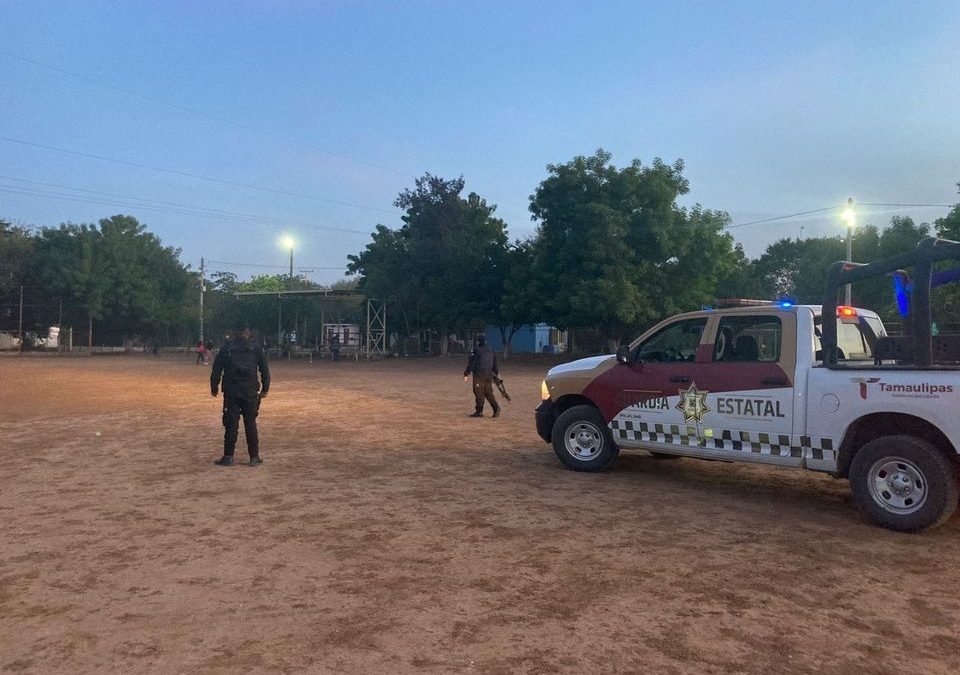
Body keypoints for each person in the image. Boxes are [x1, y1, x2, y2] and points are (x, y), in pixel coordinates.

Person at [210, 323, 270, 466]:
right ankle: (254, 457)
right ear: (248, 332)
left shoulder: (226, 348)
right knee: (250, 423)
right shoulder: (256, 348)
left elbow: (216, 370)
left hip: (231, 391)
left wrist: (214, 387)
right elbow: (264, 370)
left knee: (231, 424)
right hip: (250, 390)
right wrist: (265, 389)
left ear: (234, 333)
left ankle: (228, 457)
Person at [464, 334, 500, 418]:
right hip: (489, 375)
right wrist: (496, 373)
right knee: (488, 392)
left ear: (478, 341)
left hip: (479, 375)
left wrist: (466, 373)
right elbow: (495, 363)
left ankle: (479, 411)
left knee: (478, 392)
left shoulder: (477, 350)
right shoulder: (491, 350)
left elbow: (472, 363)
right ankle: (496, 408)